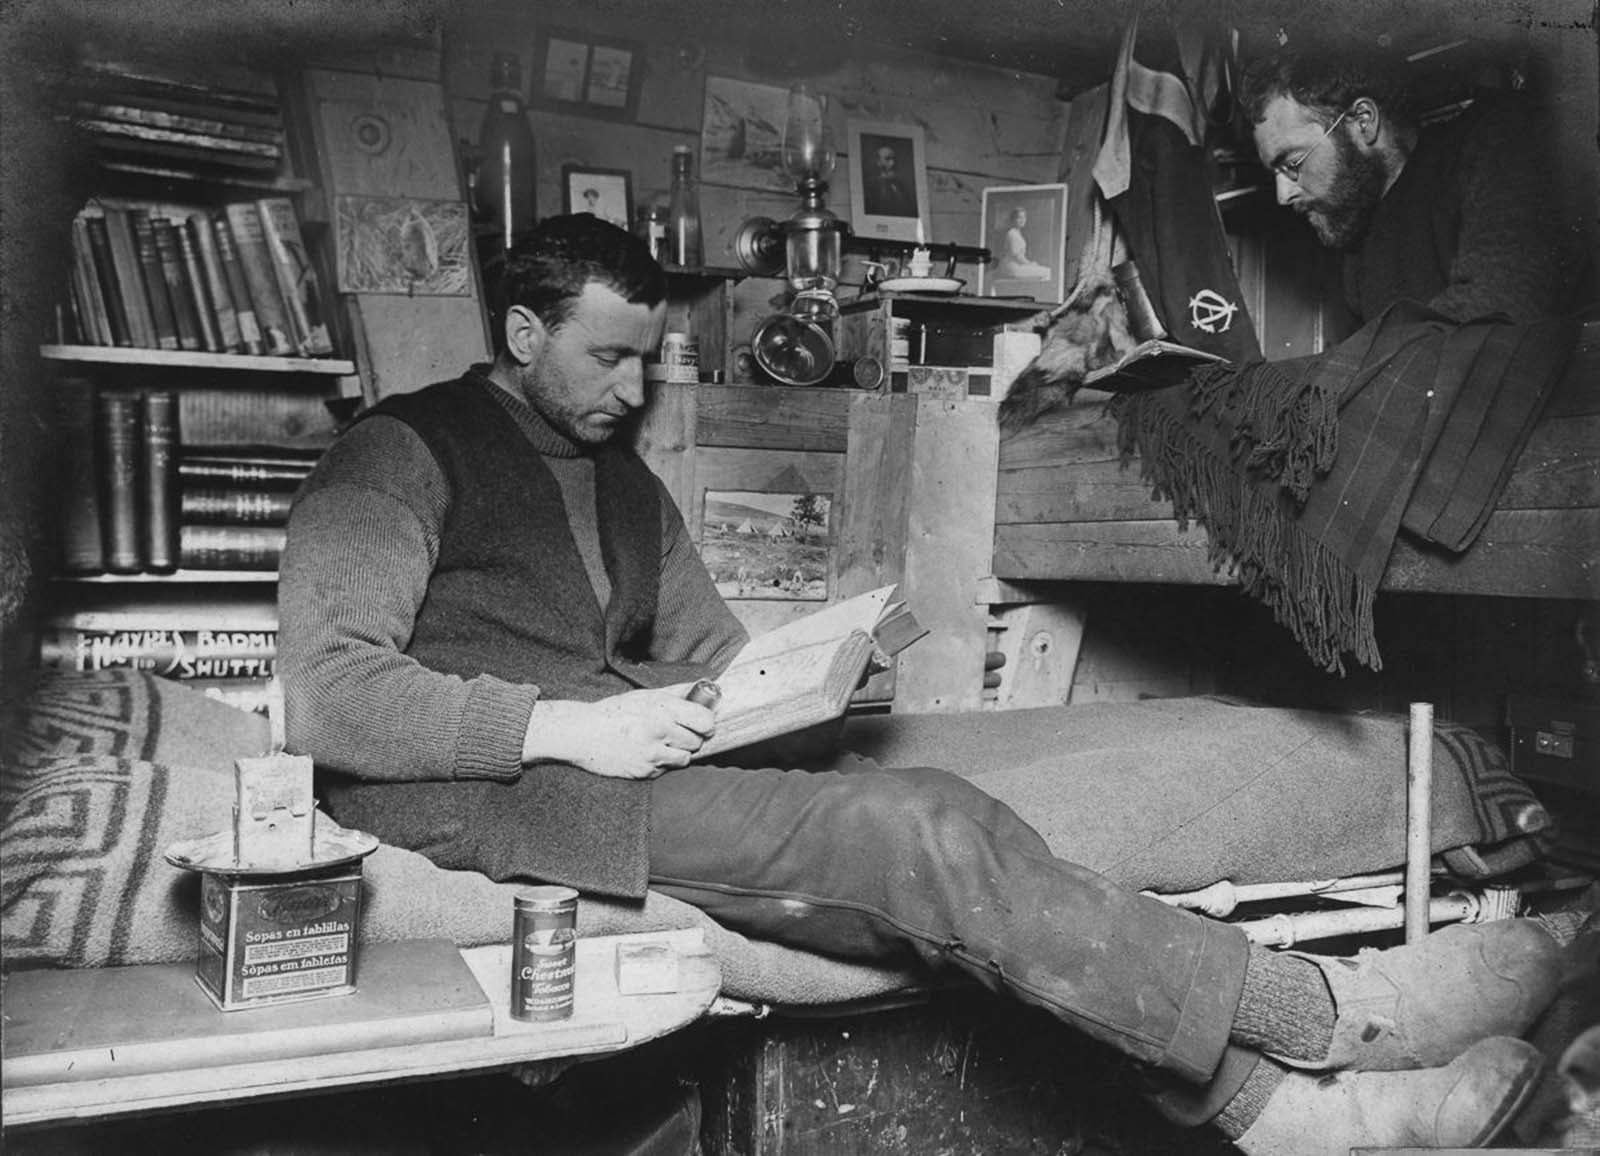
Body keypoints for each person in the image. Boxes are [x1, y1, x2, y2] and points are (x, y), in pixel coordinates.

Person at [279, 214, 1562, 1156]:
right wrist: (568, 725)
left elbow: (717, 653)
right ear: (519, 335)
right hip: (499, 803)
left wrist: (816, 673)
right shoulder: (396, 453)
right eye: (610, 358)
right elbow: (327, 696)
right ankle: (1322, 1018)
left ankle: (1284, 1119)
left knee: (929, 786)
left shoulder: (620, 477)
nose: (635, 387)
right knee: (908, 827)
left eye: (648, 359)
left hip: (630, 764)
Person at [1238, 39, 1588, 324]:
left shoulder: (1504, 138)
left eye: (1293, 163)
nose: (1283, 195)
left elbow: (1496, 316)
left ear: (1363, 121)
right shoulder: (1358, 238)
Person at [995, 205, 1052, 280]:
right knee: (1048, 272)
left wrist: (1030, 264)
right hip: (1012, 267)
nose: (1022, 220)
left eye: (1024, 217)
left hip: (1017, 265)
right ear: (1013, 219)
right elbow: (1017, 257)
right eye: (1019, 218)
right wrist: (1030, 264)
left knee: (1047, 271)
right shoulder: (1012, 234)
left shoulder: (1017, 233)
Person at [863, 140, 917, 218]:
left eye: (893, 159)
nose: (892, 163)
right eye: (887, 159)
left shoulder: (901, 185)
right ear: (878, 161)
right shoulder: (870, 185)